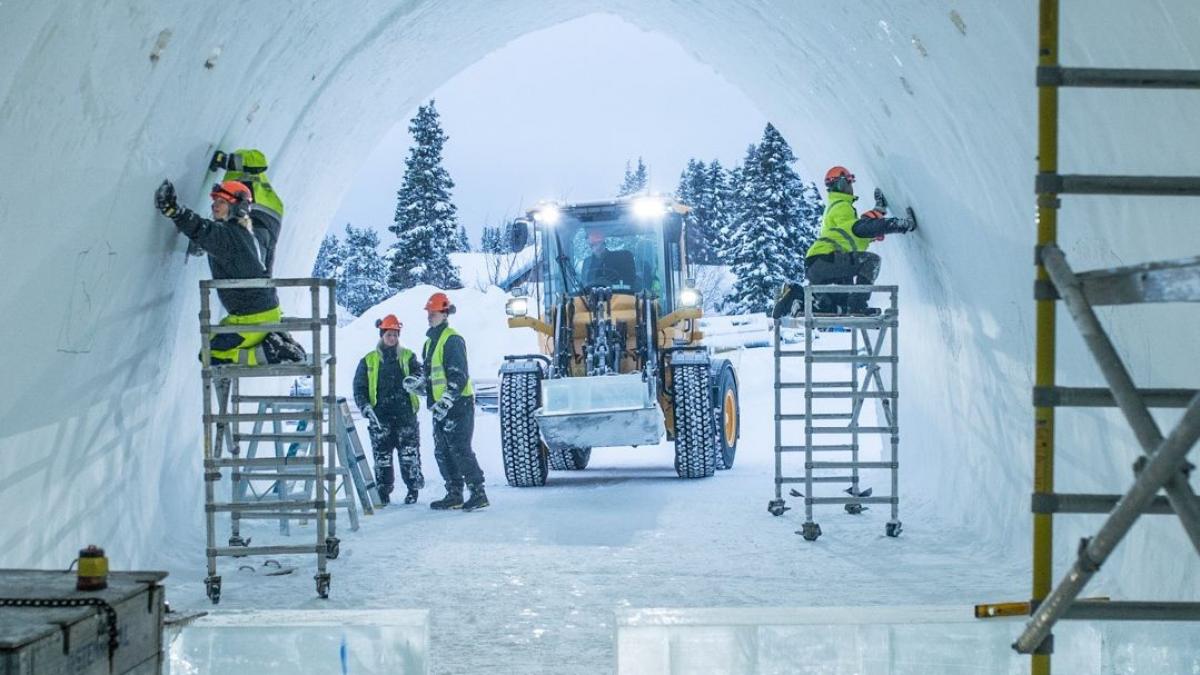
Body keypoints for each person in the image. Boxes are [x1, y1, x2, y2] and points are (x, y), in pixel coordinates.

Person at [154, 179, 303, 365]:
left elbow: (204, 230)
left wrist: (175, 211)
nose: (215, 205)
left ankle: (270, 352)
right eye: (215, 201)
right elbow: (212, 238)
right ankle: (276, 340)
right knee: (219, 334)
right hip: (265, 313)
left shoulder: (228, 233)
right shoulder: (244, 233)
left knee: (209, 354)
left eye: (222, 202)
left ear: (237, 207)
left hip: (251, 318)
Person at [773, 166, 917, 317]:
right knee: (871, 261)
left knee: (838, 304)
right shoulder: (842, 207)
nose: (851, 187)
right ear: (840, 184)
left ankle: (796, 297)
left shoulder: (836, 208)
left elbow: (857, 229)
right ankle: (858, 307)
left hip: (820, 264)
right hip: (825, 260)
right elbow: (860, 228)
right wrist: (900, 225)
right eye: (848, 182)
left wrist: (878, 212)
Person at [412, 292, 488, 511]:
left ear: (445, 314)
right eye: (429, 312)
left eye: (433, 313)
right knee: (442, 451)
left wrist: (447, 399)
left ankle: (478, 492)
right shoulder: (429, 344)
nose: (430, 316)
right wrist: (419, 386)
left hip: (458, 405)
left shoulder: (452, 339)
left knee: (460, 448)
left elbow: (458, 375)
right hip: (439, 407)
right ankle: (454, 493)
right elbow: (431, 377)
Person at [353, 314, 424, 506]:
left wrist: (416, 379)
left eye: (395, 334)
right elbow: (359, 387)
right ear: (382, 334)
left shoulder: (408, 357)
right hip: (380, 418)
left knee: (409, 455)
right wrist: (365, 406)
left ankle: (412, 489)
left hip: (405, 416)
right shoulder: (369, 360)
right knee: (382, 458)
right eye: (389, 334)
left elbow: (420, 373)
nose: (392, 338)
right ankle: (383, 491)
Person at [207, 149, 285, 274]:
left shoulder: (249, 170)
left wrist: (227, 161)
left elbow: (259, 160)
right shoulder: (233, 184)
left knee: (252, 248)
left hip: (262, 212)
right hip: (266, 218)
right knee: (260, 261)